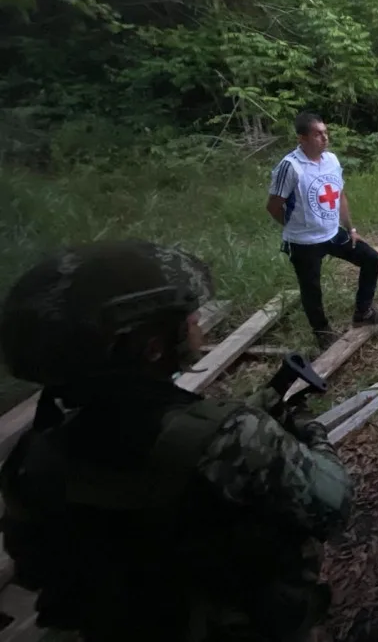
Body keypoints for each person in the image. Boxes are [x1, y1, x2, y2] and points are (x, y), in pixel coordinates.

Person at [0, 241, 353, 642]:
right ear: (153, 348)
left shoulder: (34, 456)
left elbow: (32, 567)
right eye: (186, 317)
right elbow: (334, 502)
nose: (196, 322)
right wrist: (311, 432)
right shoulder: (233, 440)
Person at [267, 111, 378, 350]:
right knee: (311, 288)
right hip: (303, 241)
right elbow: (273, 206)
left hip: (332, 233)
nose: (325, 138)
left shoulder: (331, 160)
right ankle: (322, 333)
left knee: (371, 258)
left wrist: (350, 228)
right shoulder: (290, 167)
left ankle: (363, 311)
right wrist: (295, 227)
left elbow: (339, 194)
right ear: (302, 138)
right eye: (317, 134)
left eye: (325, 132)